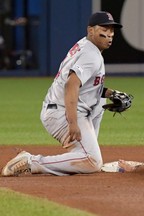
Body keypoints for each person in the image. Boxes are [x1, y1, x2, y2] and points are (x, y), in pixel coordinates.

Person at [1, 11, 128, 176]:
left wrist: (111, 94)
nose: (109, 34)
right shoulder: (91, 55)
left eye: (112, 29)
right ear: (91, 30)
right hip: (62, 112)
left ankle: (80, 154)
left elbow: (87, 87)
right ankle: (31, 162)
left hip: (59, 107)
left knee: (100, 102)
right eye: (104, 28)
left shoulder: (86, 46)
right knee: (92, 162)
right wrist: (72, 122)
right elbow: (71, 85)